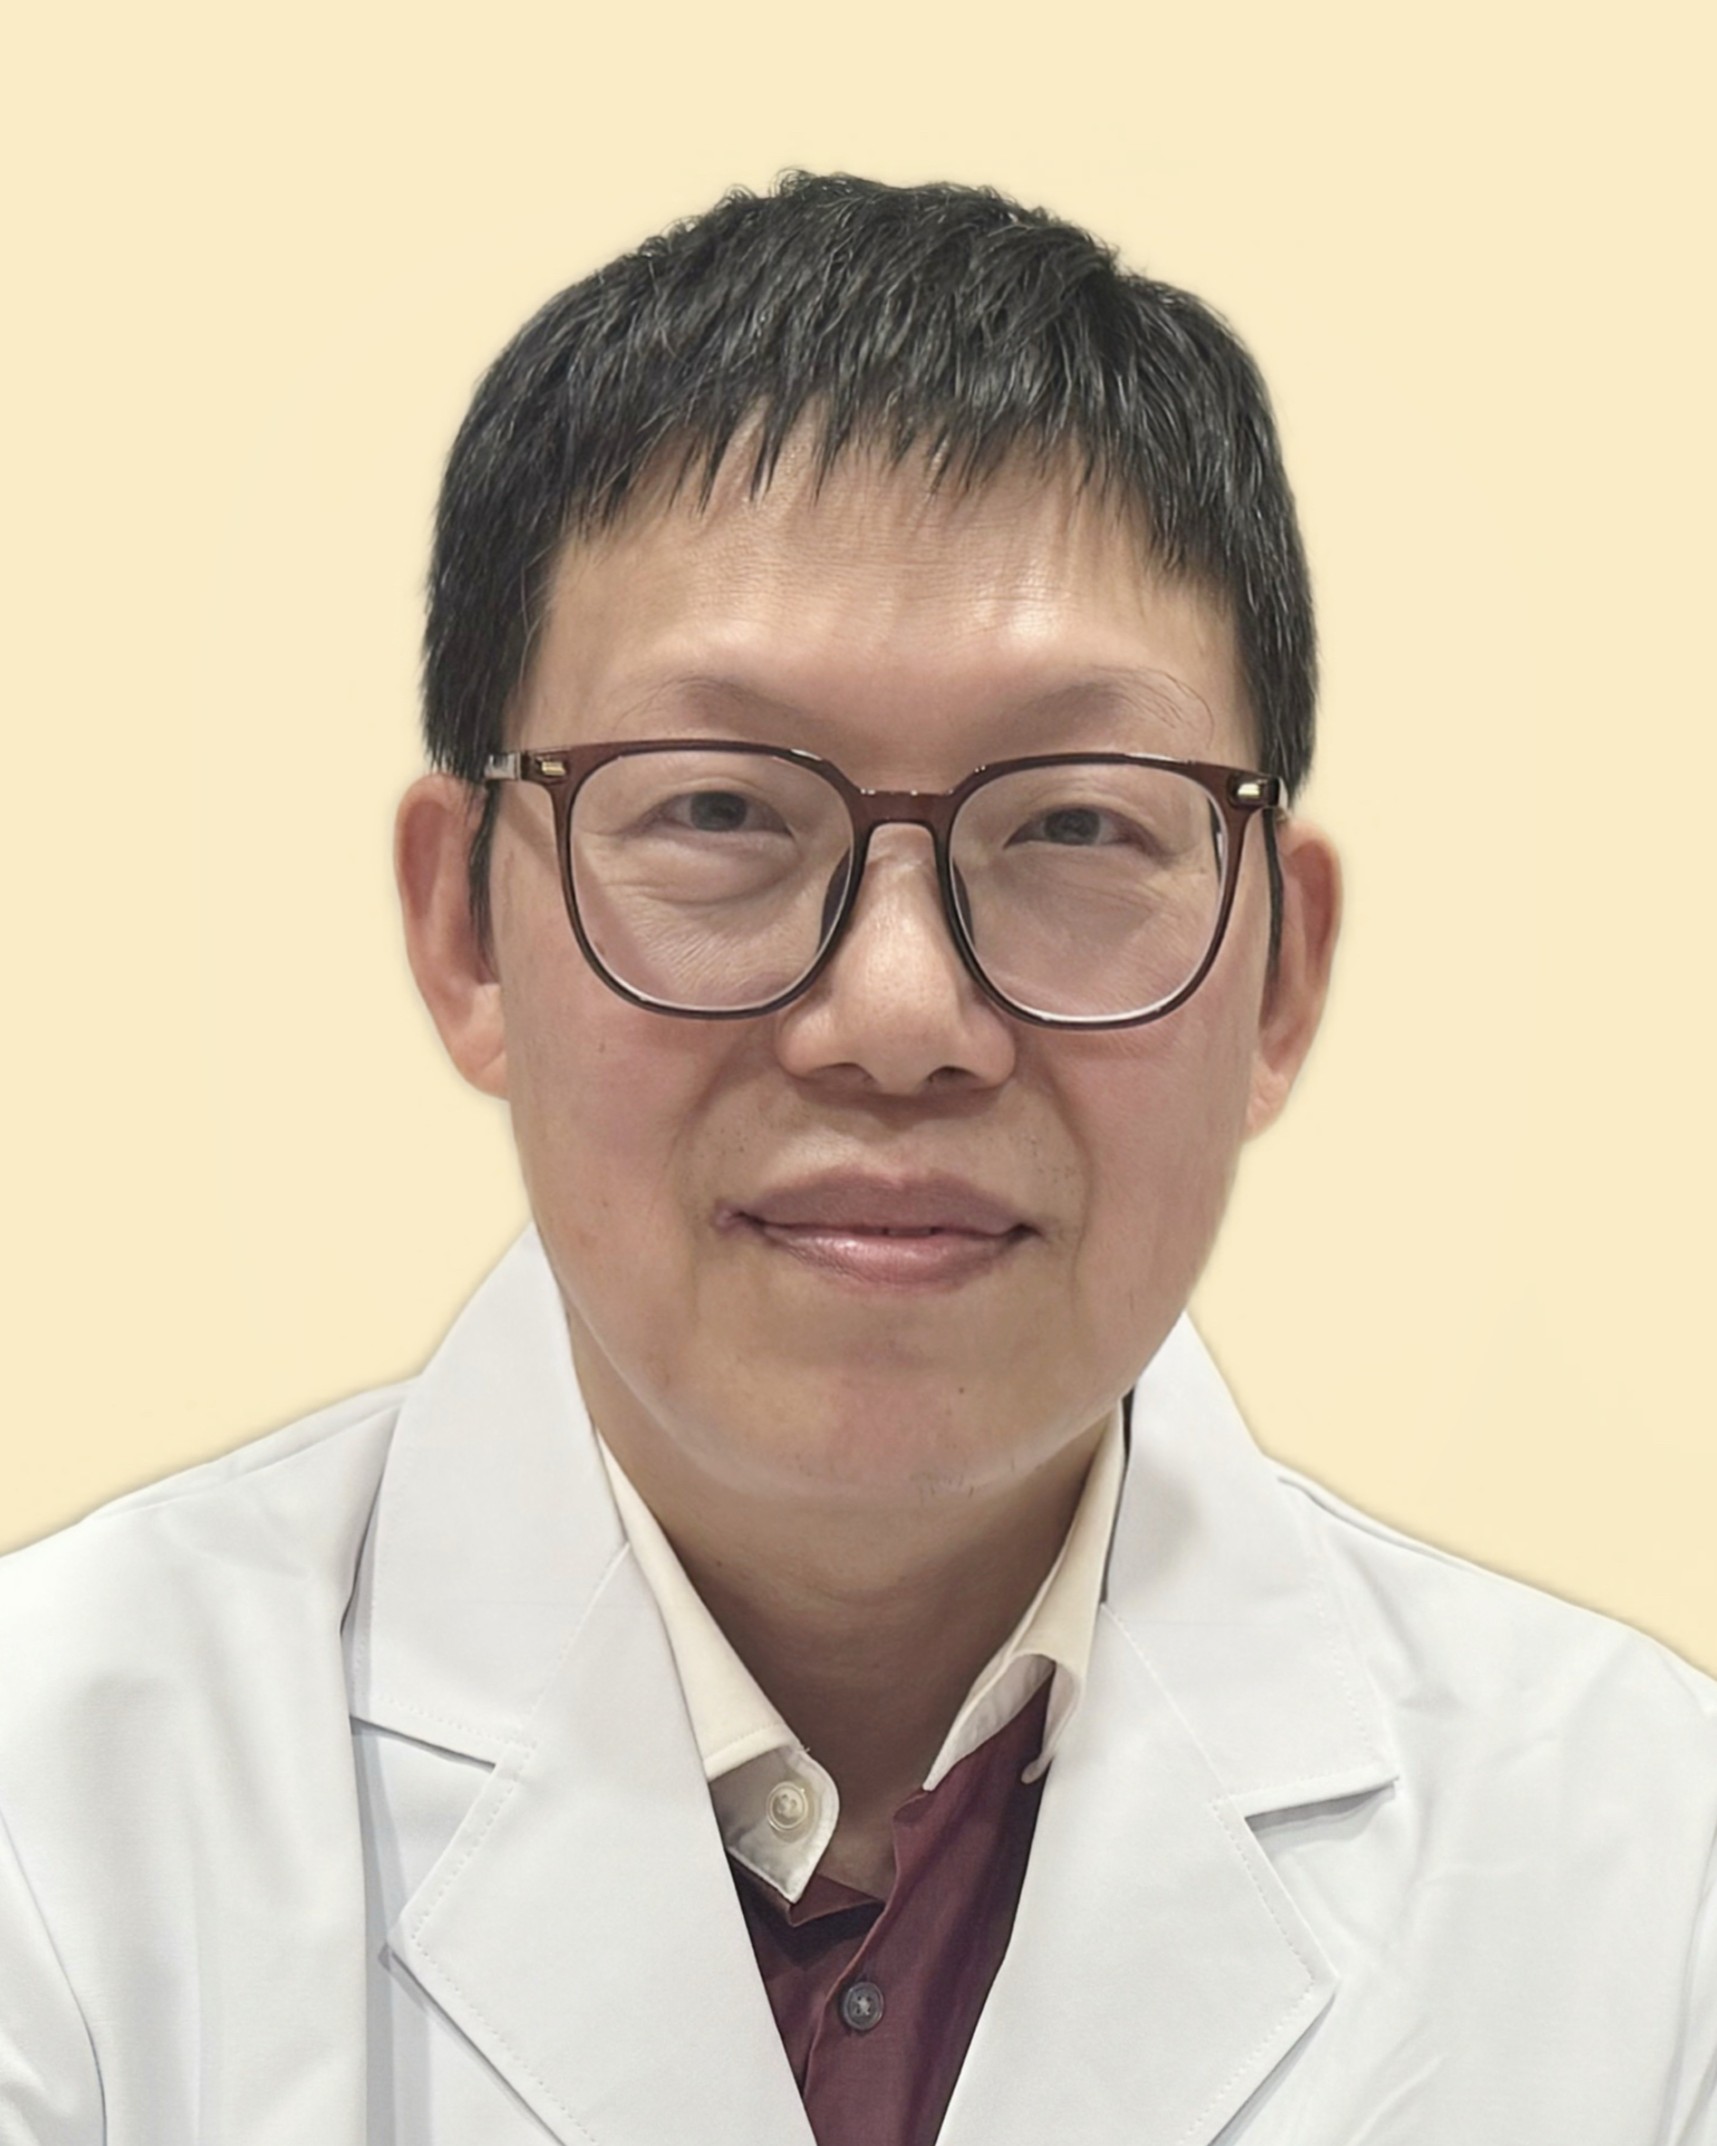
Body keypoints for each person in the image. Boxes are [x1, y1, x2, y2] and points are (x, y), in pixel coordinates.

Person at [0, 173, 1712, 2146]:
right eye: (720, 808)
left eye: (1075, 825)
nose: (900, 1011)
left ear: (1279, 975)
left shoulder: (1647, 1878)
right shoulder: (60, 1821)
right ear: (465, 930)